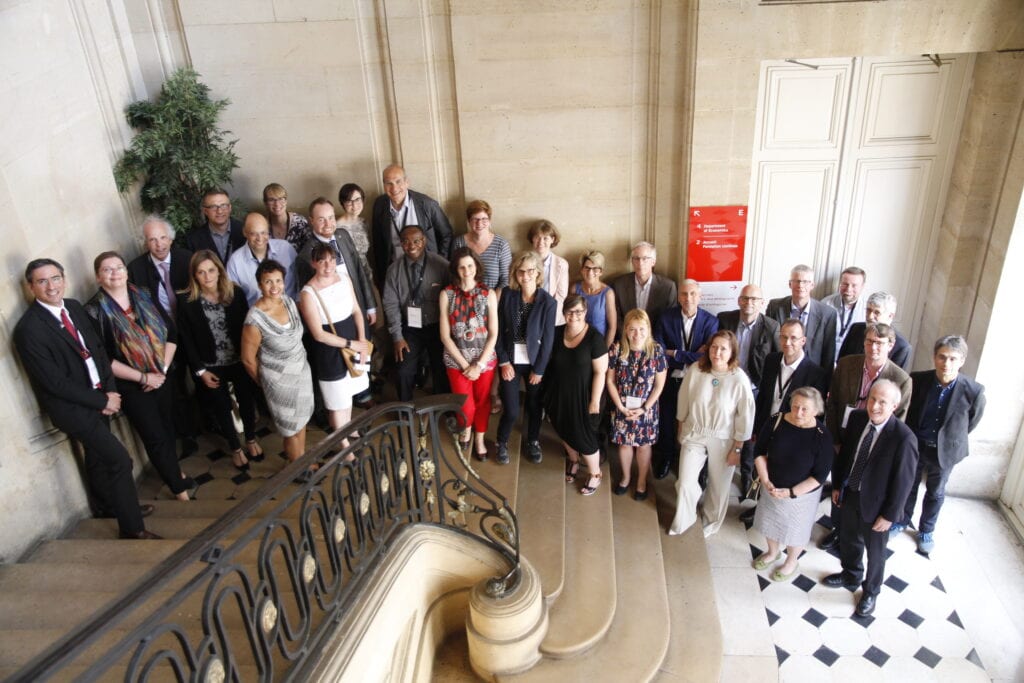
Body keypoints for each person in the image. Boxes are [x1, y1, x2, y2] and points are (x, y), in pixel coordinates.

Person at [14, 259, 158, 539]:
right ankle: (132, 529)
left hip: (101, 395)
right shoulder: (29, 330)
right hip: (73, 409)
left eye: (55, 278)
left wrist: (110, 391)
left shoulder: (74, 307)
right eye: (42, 281)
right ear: (31, 287)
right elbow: (54, 383)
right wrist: (101, 401)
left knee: (96, 457)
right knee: (120, 460)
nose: (51, 286)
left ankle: (107, 506)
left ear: (64, 279)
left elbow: (98, 351)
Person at [85, 252, 194, 502]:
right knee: (155, 437)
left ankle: (173, 470)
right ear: (98, 277)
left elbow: (171, 333)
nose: (114, 273)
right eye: (107, 269)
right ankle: (179, 489)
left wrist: (160, 371)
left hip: (161, 375)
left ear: (126, 271)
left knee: (167, 428)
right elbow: (103, 358)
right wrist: (144, 378)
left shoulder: (143, 294)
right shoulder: (93, 310)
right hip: (132, 386)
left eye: (119, 267)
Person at [822, 380, 918, 617]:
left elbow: (904, 483)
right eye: (872, 399)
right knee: (848, 538)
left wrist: (889, 515)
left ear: (894, 406)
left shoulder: (904, 438)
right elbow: (846, 455)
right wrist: (838, 485)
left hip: (877, 506)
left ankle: (871, 591)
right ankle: (851, 574)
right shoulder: (857, 418)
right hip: (851, 492)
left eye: (882, 402)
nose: (874, 406)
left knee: (876, 552)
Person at [821, 322, 911, 551]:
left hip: (871, 444)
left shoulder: (901, 379)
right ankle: (837, 529)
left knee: (862, 489)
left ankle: (857, 536)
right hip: (843, 437)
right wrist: (835, 439)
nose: (873, 348)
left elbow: (897, 420)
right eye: (869, 341)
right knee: (839, 484)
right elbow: (833, 403)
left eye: (879, 343)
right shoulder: (846, 364)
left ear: (890, 345)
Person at [891, 335, 986, 554]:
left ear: (962, 361)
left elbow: (971, 421)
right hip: (917, 444)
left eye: (953, 359)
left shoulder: (974, 391)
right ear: (934, 357)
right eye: (942, 357)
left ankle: (926, 530)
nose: (946, 363)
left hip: (944, 450)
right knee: (908, 485)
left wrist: (950, 439)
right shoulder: (918, 380)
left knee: (936, 491)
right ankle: (901, 520)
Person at [176, 250, 262, 469]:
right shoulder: (186, 301)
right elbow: (187, 340)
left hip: (238, 360)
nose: (207, 277)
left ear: (219, 271)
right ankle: (235, 448)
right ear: (194, 275)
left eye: (211, 270)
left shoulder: (235, 293)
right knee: (222, 408)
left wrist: (252, 358)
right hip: (211, 365)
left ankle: (251, 439)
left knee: (246, 401)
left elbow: (248, 327)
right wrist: (200, 371)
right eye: (201, 272)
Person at [740, 319, 830, 519]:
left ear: (803, 340)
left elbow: (815, 413)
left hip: (791, 432)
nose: (787, 342)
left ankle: (778, 513)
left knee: (781, 473)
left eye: (793, 338)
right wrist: (756, 427)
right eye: (783, 337)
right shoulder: (772, 360)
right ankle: (761, 507)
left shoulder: (816, 373)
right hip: (768, 425)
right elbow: (763, 396)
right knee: (763, 469)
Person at [669, 330, 755, 537]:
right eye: (714, 347)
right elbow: (684, 400)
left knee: (718, 485)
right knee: (685, 482)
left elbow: (745, 417)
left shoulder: (739, 379)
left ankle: (711, 520)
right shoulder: (696, 369)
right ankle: (684, 519)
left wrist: (737, 449)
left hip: (724, 438)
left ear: (732, 352)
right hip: (694, 432)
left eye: (723, 349)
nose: (717, 353)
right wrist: (681, 428)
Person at [126, 214, 199, 458]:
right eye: (152, 240)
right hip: (162, 340)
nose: (159, 244)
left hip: (191, 331)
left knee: (201, 377)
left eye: (163, 238)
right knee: (175, 386)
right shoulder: (136, 269)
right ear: (145, 242)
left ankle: (210, 422)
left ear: (171, 238)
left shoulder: (187, 259)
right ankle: (187, 435)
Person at [751, 387, 834, 582]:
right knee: (770, 523)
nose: (798, 412)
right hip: (771, 486)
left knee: (795, 531)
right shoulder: (776, 420)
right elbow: (759, 452)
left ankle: (791, 561)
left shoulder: (822, 436)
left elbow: (819, 476)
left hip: (802, 495)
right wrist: (766, 480)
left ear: (816, 411)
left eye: (805, 409)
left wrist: (791, 492)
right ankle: (772, 552)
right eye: (795, 406)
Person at [241, 260, 314, 463]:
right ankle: (297, 470)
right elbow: (247, 359)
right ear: (259, 285)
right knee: (291, 430)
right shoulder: (254, 320)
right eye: (268, 282)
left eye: (278, 281)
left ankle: (301, 461)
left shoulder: (288, 302)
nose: (274, 287)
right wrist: (266, 382)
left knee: (301, 422)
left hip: (301, 373)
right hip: (279, 382)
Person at [298, 243, 372, 437]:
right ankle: (343, 444)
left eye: (331, 260)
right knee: (337, 400)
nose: (328, 265)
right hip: (330, 351)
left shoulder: (344, 278)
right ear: (314, 263)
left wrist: (361, 341)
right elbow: (318, 334)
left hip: (354, 341)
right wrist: (350, 344)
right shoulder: (308, 293)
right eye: (322, 261)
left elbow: (356, 310)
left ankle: (348, 430)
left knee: (348, 392)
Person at [495, 251, 557, 465]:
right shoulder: (507, 295)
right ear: (515, 273)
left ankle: (533, 441)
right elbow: (497, 332)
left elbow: (548, 340)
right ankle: (501, 442)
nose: (525, 275)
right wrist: (503, 361)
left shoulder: (548, 302)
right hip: (510, 361)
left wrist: (539, 370)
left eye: (530, 270)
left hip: (534, 364)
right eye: (521, 271)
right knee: (512, 410)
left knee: (534, 406)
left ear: (538, 272)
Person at [653, 279, 719, 480]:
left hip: (699, 381)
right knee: (667, 420)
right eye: (684, 294)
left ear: (700, 296)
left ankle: (697, 466)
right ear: (678, 296)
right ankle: (666, 456)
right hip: (670, 379)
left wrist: (675, 353)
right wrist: (690, 356)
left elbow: (706, 356)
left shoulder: (711, 321)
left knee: (697, 422)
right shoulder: (665, 318)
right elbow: (659, 352)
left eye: (692, 294)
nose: (688, 298)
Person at [439, 247, 499, 461]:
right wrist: (465, 366)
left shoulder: (488, 294)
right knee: (465, 403)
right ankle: (465, 430)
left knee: (483, 401)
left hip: (484, 360)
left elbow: (493, 333)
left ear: (476, 267)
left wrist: (479, 365)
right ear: (456, 269)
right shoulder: (446, 294)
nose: (467, 271)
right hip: (457, 361)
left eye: (470, 266)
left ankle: (479, 439)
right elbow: (445, 336)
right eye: (462, 267)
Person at [545, 296, 609, 496]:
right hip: (558, 392)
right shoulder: (557, 332)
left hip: (584, 396)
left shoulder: (595, 338)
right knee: (561, 427)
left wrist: (594, 401)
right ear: (564, 313)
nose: (574, 316)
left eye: (579, 312)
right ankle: (573, 459)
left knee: (584, 437)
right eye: (570, 312)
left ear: (585, 312)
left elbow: (600, 372)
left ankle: (595, 473)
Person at [382, 225, 450, 401]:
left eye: (416, 241)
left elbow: (452, 296)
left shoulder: (441, 265)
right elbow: (390, 304)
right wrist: (397, 337)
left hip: (438, 326)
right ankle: (406, 408)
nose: (411, 246)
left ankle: (443, 405)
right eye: (406, 241)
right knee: (403, 369)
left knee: (442, 367)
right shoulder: (394, 270)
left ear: (424, 241)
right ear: (400, 243)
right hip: (410, 328)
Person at [606, 309, 667, 501]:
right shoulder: (617, 349)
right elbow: (610, 381)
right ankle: (625, 478)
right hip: (622, 407)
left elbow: (659, 385)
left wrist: (643, 409)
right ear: (625, 329)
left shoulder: (656, 351)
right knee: (624, 445)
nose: (637, 334)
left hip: (646, 410)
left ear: (648, 329)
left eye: (641, 329)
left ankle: (641, 481)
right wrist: (620, 407)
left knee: (643, 446)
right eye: (632, 329)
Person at [371, 164, 453, 289]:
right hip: (397, 273)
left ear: (407, 182)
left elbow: (446, 234)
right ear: (384, 185)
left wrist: (440, 262)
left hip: (428, 270)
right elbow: (378, 244)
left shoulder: (427, 204)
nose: (394, 188)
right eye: (389, 183)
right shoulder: (379, 205)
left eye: (398, 181)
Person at [765, 264, 837, 369]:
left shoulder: (828, 314)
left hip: (811, 372)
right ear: (790, 284)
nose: (800, 285)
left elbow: (828, 353)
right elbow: (768, 343)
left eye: (805, 282)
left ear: (812, 285)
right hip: (779, 368)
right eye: (797, 281)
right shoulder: (774, 307)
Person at [226, 212, 298, 306]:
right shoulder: (235, 262)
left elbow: (301, 280)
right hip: (257, 313)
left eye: (263, 233)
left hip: (291, 309)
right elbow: (233, 299)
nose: (259, 238)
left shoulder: (286, 249)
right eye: (253, 234)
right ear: (245, 232)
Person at [611, 241, 677, 330]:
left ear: (653, 262)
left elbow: (670, 319)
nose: (640, 263)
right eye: (636, 258)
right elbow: (616, 317)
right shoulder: (619, 284)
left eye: (645, 258)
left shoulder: (668, 287)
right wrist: (627, 334)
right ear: (632, 261)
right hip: (626, 335)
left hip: (655, 336)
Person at [450, 200, 512, 294]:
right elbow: (454, 275)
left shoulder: (501, 245)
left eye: (484, 219)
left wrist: (493, 300)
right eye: (475, 219)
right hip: (464, 297)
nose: (479, 223)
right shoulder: (459, 243)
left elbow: (506, 279)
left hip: (494, 297)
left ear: (489, 221)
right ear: (469, 221)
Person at [837, 291, 911, 370]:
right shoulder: (855, 329)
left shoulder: (902, 347)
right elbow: (841, 363)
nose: (870, 316)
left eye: (877, 312)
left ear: (890, 316)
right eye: (868, 310)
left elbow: (895, 377)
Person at [185, 188, 246, 265]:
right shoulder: (194, 239)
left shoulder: (245, 231)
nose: (219, 211)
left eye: (223, 205)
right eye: (213, 207)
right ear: (205, 211)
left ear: (230, 208)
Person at [572, 250, 617, 347]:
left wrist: (605, 351)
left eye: (595, 268)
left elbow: (612, 327)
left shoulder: (608, 293)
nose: (590, 272)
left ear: (601, 272)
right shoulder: (574, 289)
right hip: (576, 342)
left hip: (598, 344)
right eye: (587, 268)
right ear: (582, 270)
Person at [337, 182, 376, 291]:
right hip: (349, 279)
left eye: (357, 199)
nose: (354, 205)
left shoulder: (364, 223)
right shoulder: (337, 228)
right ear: (343, 203)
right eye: (349, 201)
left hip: (366, 275)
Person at [528, 219, 569, 324]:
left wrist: (549, 315)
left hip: (551, 314)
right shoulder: (524, 261)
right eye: (537, 237)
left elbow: (561, 295)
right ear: (532, 239)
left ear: (552, 239)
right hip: (527, 311)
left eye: (545, 238)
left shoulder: (562, 264)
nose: (541, 242)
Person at [822, 266, 867, 358]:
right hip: (826, 357)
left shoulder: (868, 310)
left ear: (862, 287)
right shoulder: (825, 304)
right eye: (845, 284)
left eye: (854, 285)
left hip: (852, 360)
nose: (848, 289)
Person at [262, 182, 310, 250]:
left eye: (281, 199)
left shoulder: (300, 222)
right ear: (265, 203)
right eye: (271, 200)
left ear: (286, 201)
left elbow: (309, 250)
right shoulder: (261, 225)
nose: (277, 204)